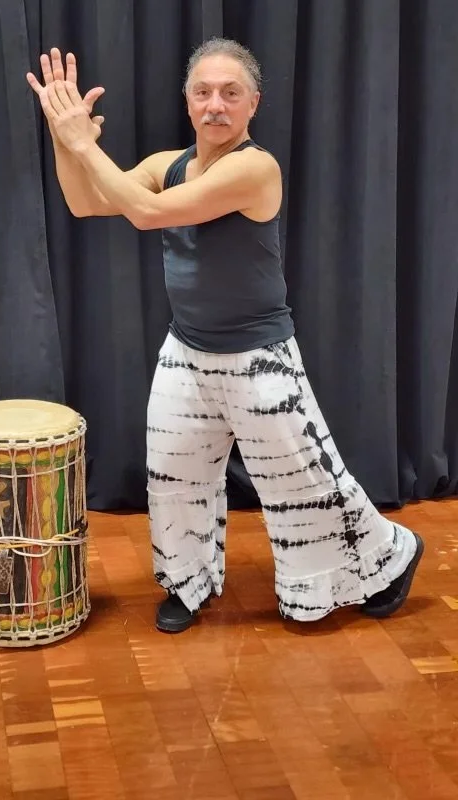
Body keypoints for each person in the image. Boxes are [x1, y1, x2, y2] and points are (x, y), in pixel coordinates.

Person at [26, 38, 424, 633]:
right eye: (203, 92)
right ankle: (186, 584)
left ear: (252, 103)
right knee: (174, 477)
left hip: (259, 355)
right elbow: (85, 202)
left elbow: (147, 213)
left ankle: (392, 553)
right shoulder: (168, 165)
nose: (215, 104)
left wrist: (86, 144)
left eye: (230, 93)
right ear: (187, 101)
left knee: (302, 482)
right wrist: (64, 138)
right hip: (186, 350)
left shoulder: (255, 167)